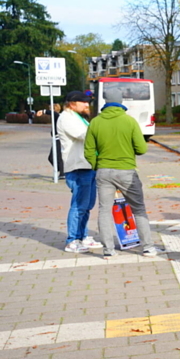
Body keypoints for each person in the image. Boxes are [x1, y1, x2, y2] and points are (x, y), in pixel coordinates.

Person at [84, 98, 158, 258]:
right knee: (138, 209)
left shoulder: (95, 122)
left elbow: (88, 150)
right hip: (126, 171)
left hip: (103, 171)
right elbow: (141, 148)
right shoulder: (129, 121)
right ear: (120, 102)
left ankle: (108, 251)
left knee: (104, 210)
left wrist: (98, 165)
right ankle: (148, 248)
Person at [57, 91, 102, 253]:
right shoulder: (66, 118)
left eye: (87, 102)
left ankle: (83, 237)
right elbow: (85, 135)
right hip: (77, 167)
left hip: (88, 166)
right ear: (72, 103)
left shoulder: (78, 118)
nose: (86, 105)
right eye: (83, 102)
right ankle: (72, 240)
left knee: (87, 204)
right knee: (79, 205)